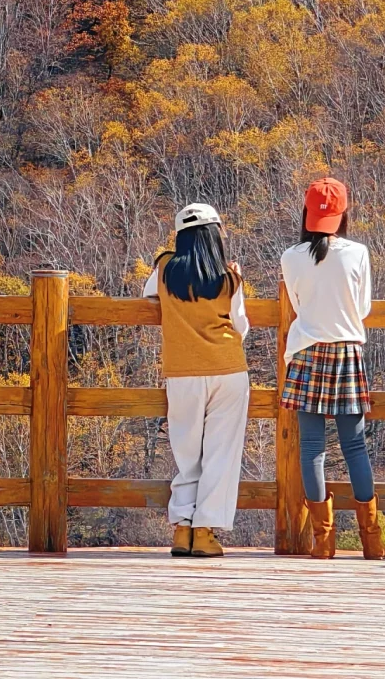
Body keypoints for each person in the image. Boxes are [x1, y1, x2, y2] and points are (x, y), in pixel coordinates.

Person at [279, 176, 385, 560]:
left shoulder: (291, 256)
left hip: (308, 351)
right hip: (346, 352)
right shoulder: (358, 253)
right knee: (355, 446)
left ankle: (323, 543)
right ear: (343, 216)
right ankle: (371, 542)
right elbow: (362, 309)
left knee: (312, 449)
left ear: (307, 214)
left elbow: (296, 303)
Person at [143, 202, 250, 558]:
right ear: (214, 233)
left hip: (182, 371)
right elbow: (241, 327)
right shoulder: (229, 277)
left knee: (187, 451)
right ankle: (205, 532)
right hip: (227, 368)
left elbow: (148, 295)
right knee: (221, 452)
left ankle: (182, 529)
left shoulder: (163, 268)